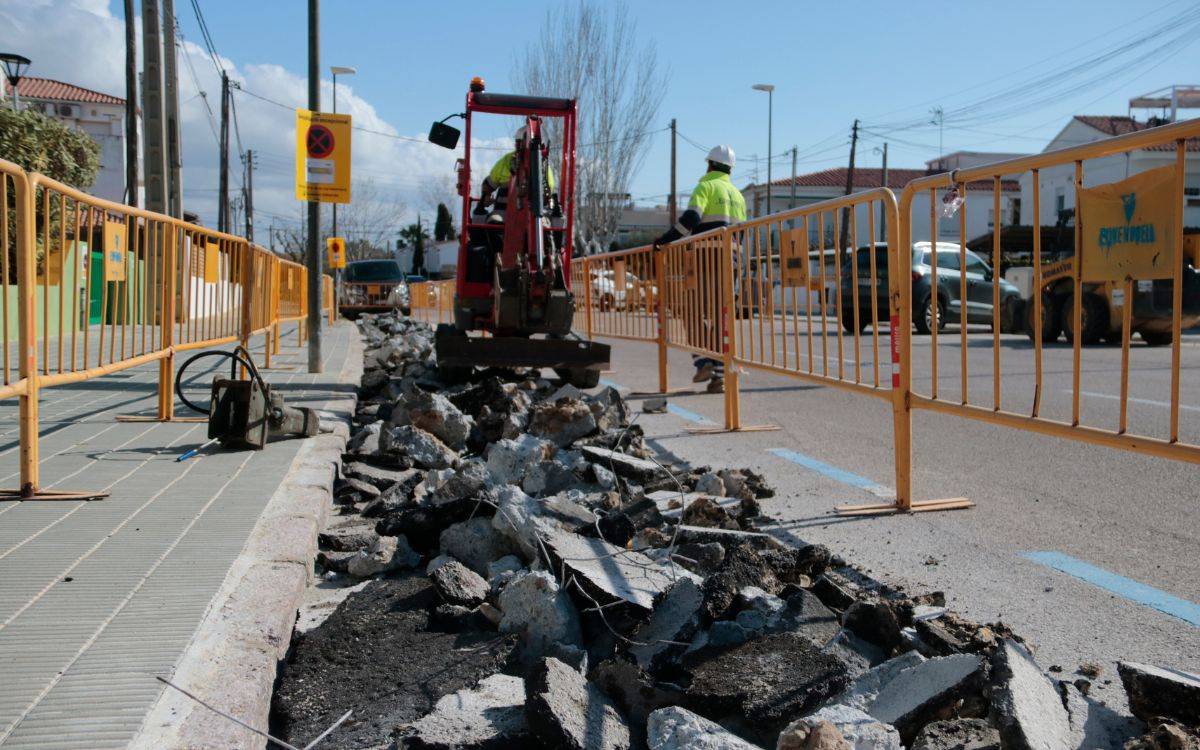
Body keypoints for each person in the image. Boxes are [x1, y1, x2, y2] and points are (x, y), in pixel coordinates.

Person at [653, 145, 746, 393]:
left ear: (710, 165)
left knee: (691, 312)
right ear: (730, 169)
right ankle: (718, 376)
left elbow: (691, 220)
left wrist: (665, 240)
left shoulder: (706, 187)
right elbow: (742, 233)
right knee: (719, 316)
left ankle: (704, 362)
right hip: (731, 262)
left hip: (705, 260)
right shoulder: (738, 195)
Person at [477, 126, 557, 220]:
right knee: (495, 220)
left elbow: (547, 194)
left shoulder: (544, 167)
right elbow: (488, 185)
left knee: (544, 223)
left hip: (535, 216)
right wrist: (485, 196)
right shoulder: (507, 161)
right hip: (503, 214)